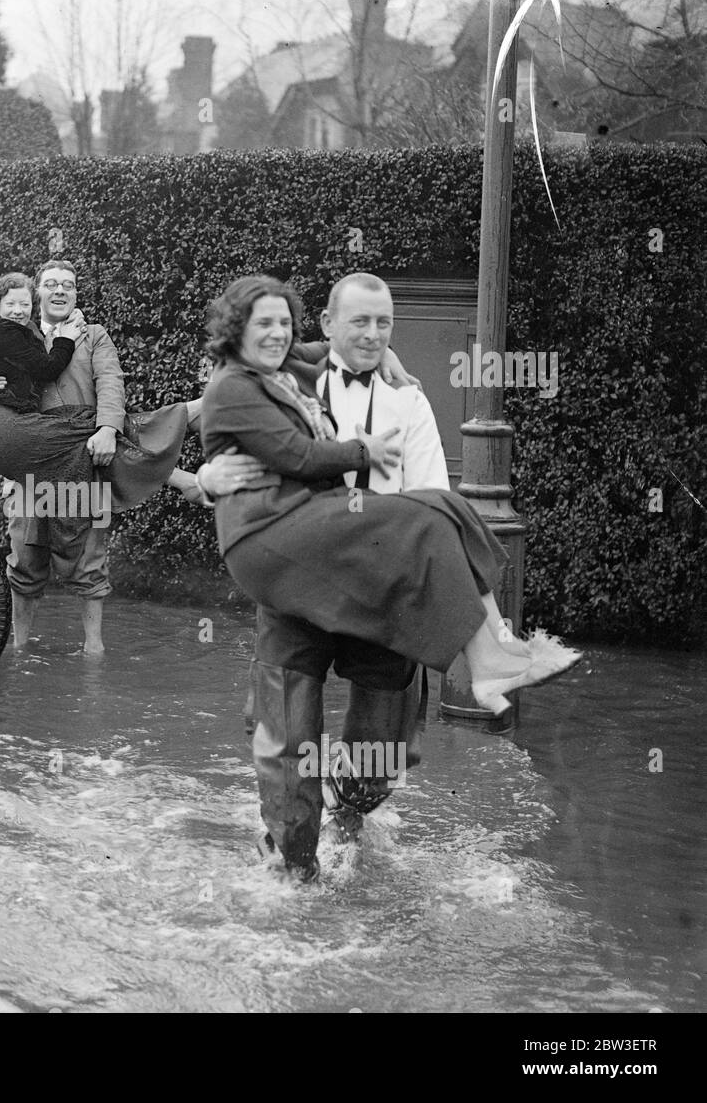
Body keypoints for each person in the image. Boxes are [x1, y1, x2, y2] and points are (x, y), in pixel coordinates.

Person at [199, 275, 581, 882]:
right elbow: (233, 428)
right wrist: (206, 476)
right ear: (325, 325)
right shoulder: (288, 375)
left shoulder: (409, 400)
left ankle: (348, 819)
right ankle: (291, 862)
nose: (374, 335)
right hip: (301, 581)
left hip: (383, 586)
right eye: (360, 322)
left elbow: (429, 493)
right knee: (286, 731)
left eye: (385, 324)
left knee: (382, 752)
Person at [0, 261, 199, 656]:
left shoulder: (93, 335)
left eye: (67, 286)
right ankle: (19, 650)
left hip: (81, 461)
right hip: (31, 467)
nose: (59, 291)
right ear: (37, 294)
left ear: (75, 294)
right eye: (50, 284)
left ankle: (94, 651)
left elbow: (111, 383)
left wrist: (106, 428)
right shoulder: (18, 333)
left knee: (89, 560)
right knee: (24, 558)